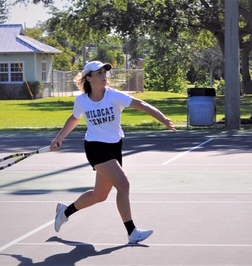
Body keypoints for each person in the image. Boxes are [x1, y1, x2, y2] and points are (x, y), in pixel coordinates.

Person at [50, 61, 176, 244]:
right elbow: (74, 119)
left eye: (105, 72)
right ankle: (132, 232)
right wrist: (59, 138)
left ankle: (65, 211)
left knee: (99, 195)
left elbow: (142, 104)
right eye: (99, 73)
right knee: (123, 185)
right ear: (89, 78)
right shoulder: (82, 101)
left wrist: (163, 118)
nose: (104, 75)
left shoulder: (114, 96)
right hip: (95, 147)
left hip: (115, 146)